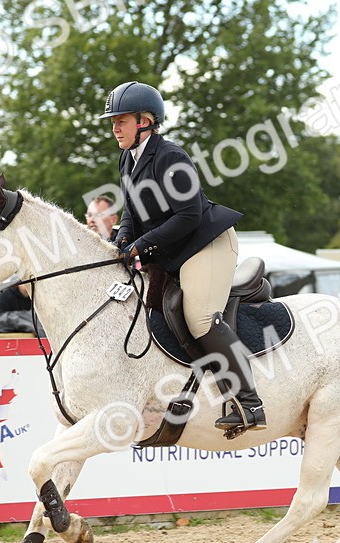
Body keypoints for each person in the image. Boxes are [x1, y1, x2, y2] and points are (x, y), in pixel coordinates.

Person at [100, 80, 265, 434]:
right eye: (113, 122)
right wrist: (123, 238)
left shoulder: (170, 156)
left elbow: (189, 215)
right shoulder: (127, 160)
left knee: (200, 316)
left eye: (122, 120)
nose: (114, 128)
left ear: (145, 121)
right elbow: (131, 210)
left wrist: (142, 245)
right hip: (176, 248)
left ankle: (248, 403)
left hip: (207, 243)